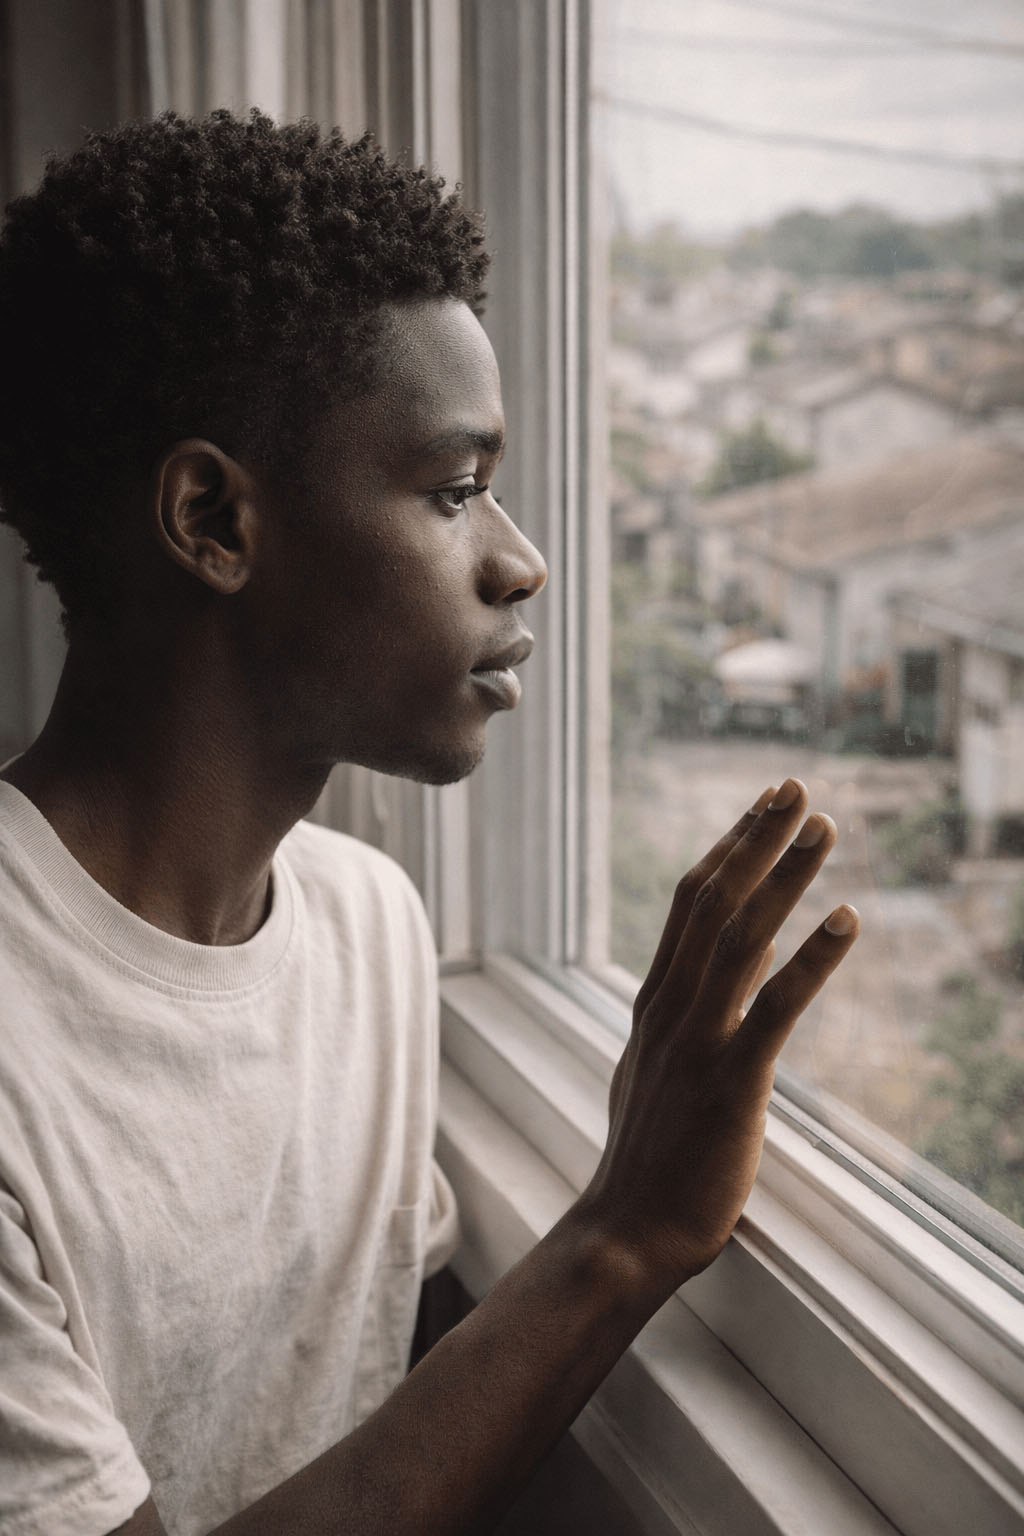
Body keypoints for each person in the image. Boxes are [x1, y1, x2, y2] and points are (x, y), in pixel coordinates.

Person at [0, 109, 859, 1536]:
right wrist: (621, 1234)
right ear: (214, 516)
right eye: (455, 491)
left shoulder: (365, 927)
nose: (519, 562)